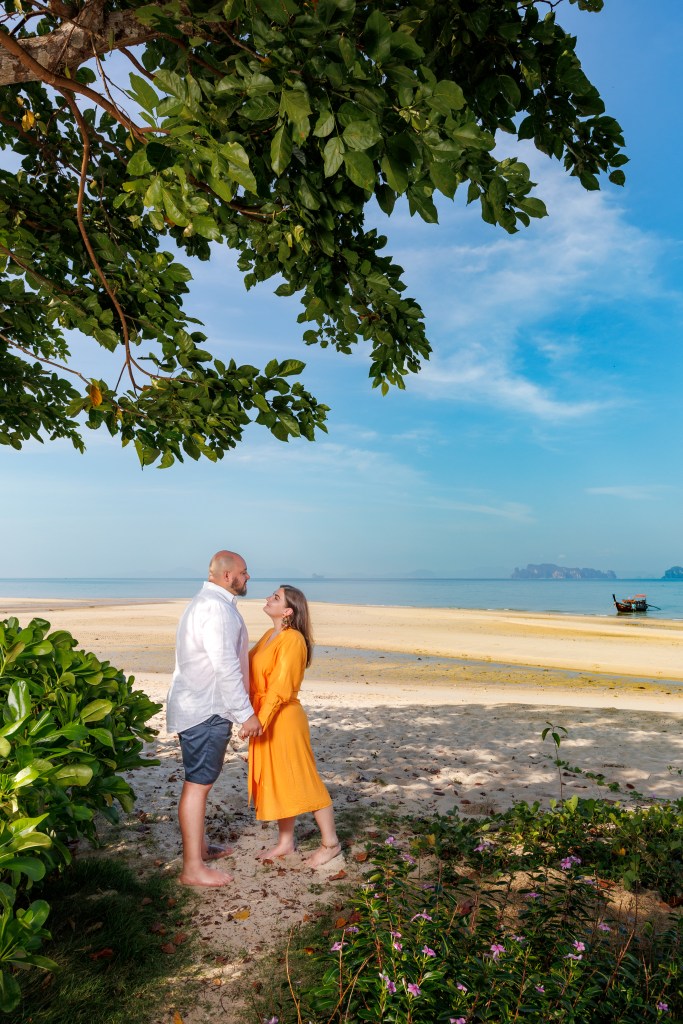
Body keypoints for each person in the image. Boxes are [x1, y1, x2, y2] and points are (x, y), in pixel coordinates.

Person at [167, 550, 262, 887]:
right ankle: (192, 868)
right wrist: (246, 715)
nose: (248, 577)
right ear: (227, 576)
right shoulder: (216, 610)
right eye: (244, 572)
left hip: (200, 707)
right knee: (198, 785)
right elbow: (225, 668)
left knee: (198, 782)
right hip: (206, 710)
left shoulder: (208, 604)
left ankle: (201, 849)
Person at [242, 585, 341, 867]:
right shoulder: (268, 636)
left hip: (283, 718)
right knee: (279, 780)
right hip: (265, 713)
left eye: (275, 597)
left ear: (288, 611)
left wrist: (258, 722)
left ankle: (331, 843)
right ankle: (286, 842)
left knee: (302, 778)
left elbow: (280, 689)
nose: (267, 598)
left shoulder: (293, 640)